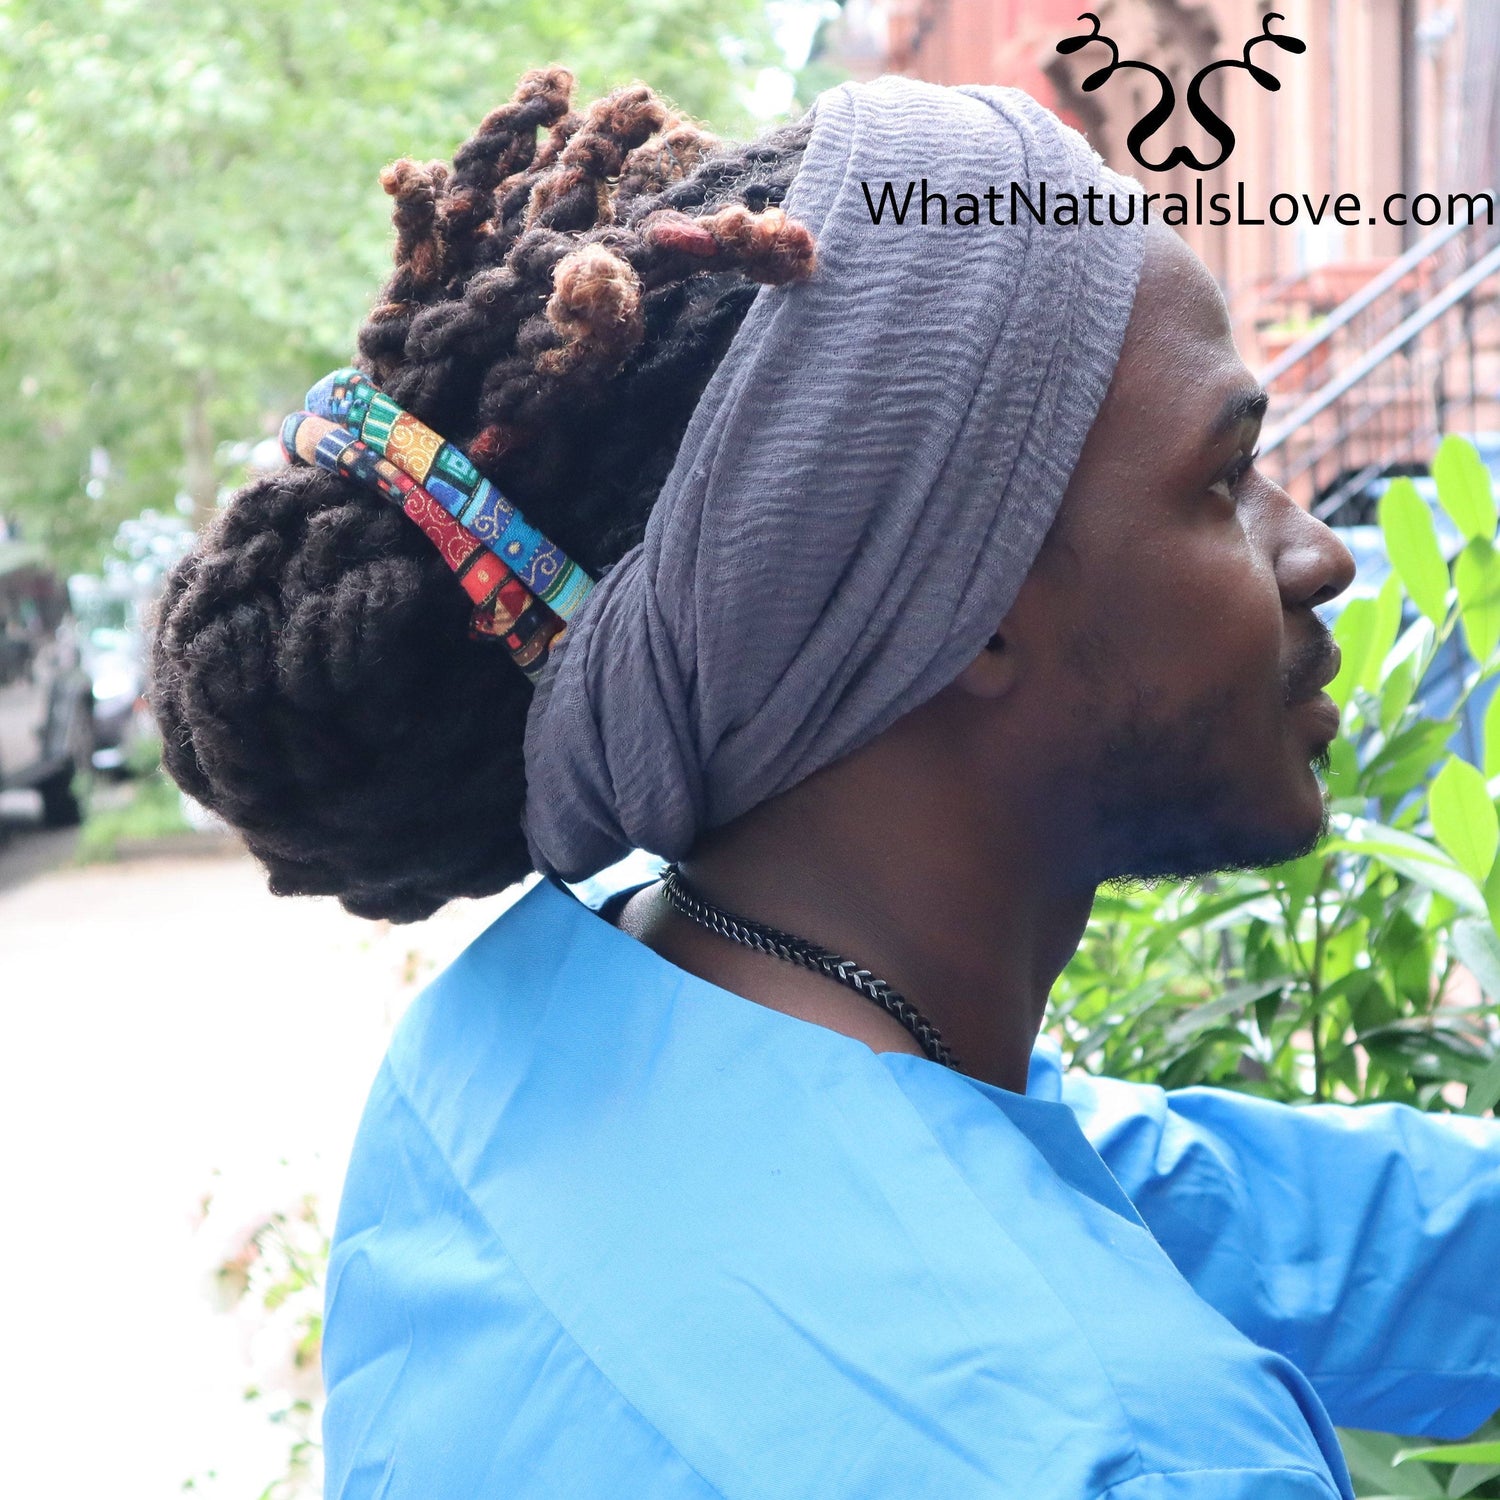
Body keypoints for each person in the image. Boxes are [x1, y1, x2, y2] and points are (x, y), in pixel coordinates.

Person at [150, 69, 1500, 1500]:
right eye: (1225, 479)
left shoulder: (508, 1049)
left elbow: (1207, 1207)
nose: (1321, 554)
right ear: (963, 599)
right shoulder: (1136, 1458)